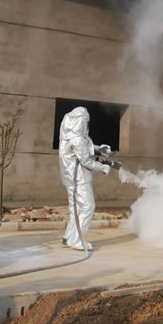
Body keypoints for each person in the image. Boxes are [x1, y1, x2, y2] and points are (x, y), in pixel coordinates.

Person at [58, 106, 112, 250]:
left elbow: (84, 146)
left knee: (75, 208)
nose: (86, 125)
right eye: (85, 122)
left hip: (72, 178)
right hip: (78, 178)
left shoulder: (70, 135)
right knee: (88, 207)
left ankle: (69, 237)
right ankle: (76, 240)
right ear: (80, 121)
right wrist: (103, 167)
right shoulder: (76, 138)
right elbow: (86, 161)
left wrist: (99, 148)